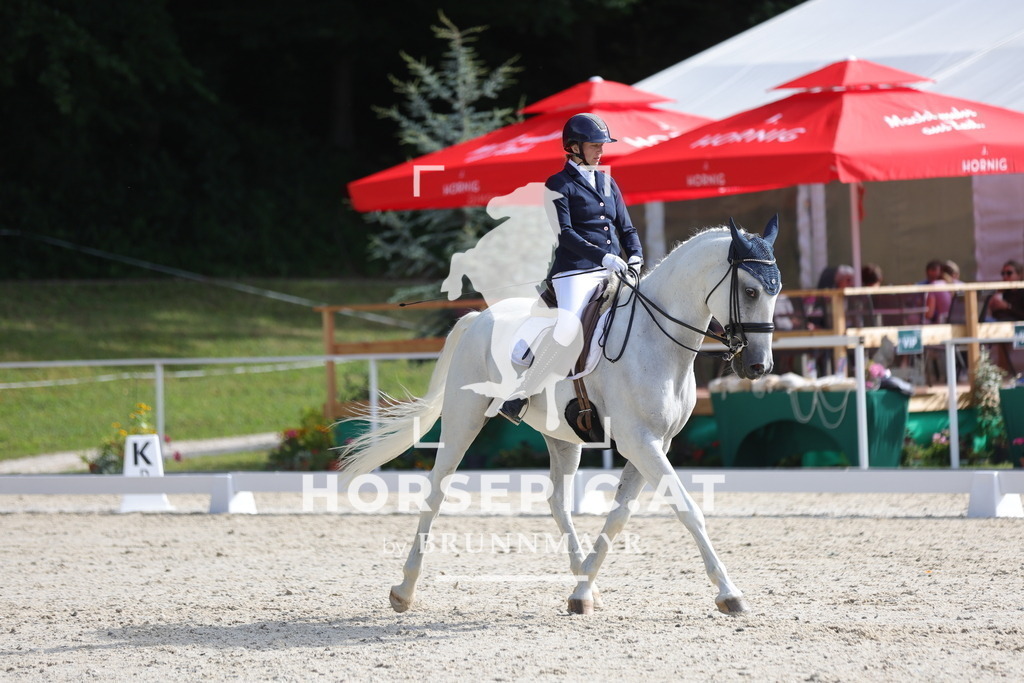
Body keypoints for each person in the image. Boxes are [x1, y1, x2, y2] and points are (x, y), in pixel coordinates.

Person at [498, 113, 643, 424]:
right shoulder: (558, 184)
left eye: (602, 145)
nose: (600, 151)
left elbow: (626, 228)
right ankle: (520, 393)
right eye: (594, 146)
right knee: (567, 329)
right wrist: (602, 257)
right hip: (575, 271)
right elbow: (565, 234)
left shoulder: (607, 180)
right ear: (574, 147)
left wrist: (635, 257)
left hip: (614, 269)